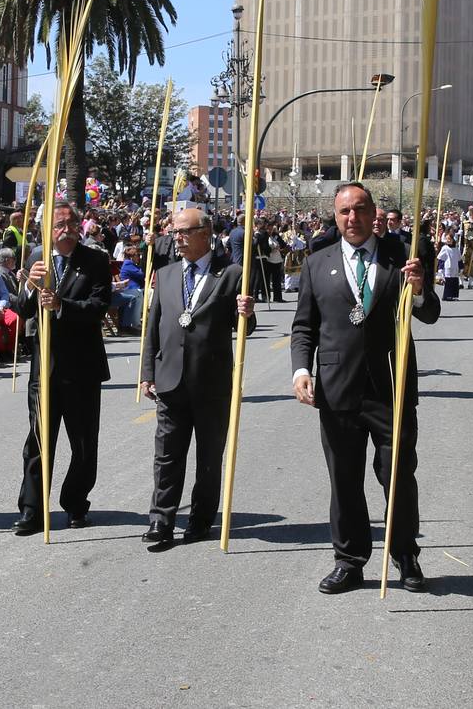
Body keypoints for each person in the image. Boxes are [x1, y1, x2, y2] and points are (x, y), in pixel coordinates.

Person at [291, 183, 440, 595]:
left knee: (397, 476)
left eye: (359, 210)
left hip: (390, 385)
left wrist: (421, 287)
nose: (352, 219)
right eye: (343, 212)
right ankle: (349, 560)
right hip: (337, 390)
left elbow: (430, 314)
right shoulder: (317, 263)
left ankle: (405, 555)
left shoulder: (402, 257)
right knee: (344, 479)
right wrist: (301, 370)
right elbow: (304, 326)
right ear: (334, 216)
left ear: (374, 213)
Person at [138, 207, 255, 547]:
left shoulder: (232, 274)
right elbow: (154, 328)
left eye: (184, 232)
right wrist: (147, 372)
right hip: (170, 379)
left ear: (205, 233)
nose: (177, 238)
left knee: (208, 457)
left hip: (212, 382)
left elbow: (245, 328)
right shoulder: (168, 273)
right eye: (175, 232)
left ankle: (201, 519)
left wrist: (245, 314)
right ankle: (160, 520)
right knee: (167, 455)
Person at [10, 202, 112, 535]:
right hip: (45, 368)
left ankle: (75, 502)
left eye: (71, 224)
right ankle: (31, 508)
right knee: (38, 441)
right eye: (58, 225)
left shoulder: (95, 260)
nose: (65, 230)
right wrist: (28, 285)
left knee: (83, 444)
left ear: (80, 226)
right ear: (47, 229)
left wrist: (62, 305)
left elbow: (99, 306)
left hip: (82, 367)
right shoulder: (37, 258)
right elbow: (23, 309)